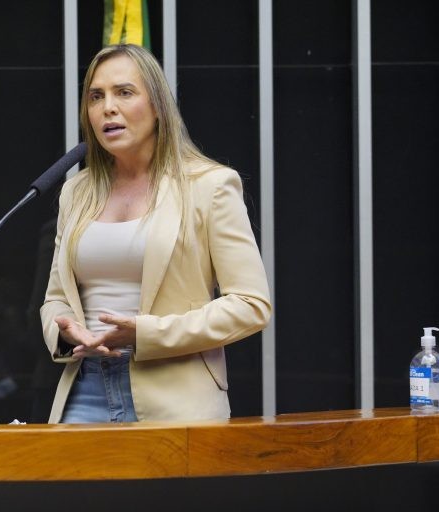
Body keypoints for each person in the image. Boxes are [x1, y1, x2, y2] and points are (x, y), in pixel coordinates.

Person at [40, 44, 271, 423]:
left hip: (176, 398)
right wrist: (65, 332)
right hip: (84, 392)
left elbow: (251, 304)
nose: (107, 108)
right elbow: (55, 299)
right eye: (96, 97)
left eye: (124, 93)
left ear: (159, 106)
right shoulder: (75, 192)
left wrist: (145, 334)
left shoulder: (209, 186)